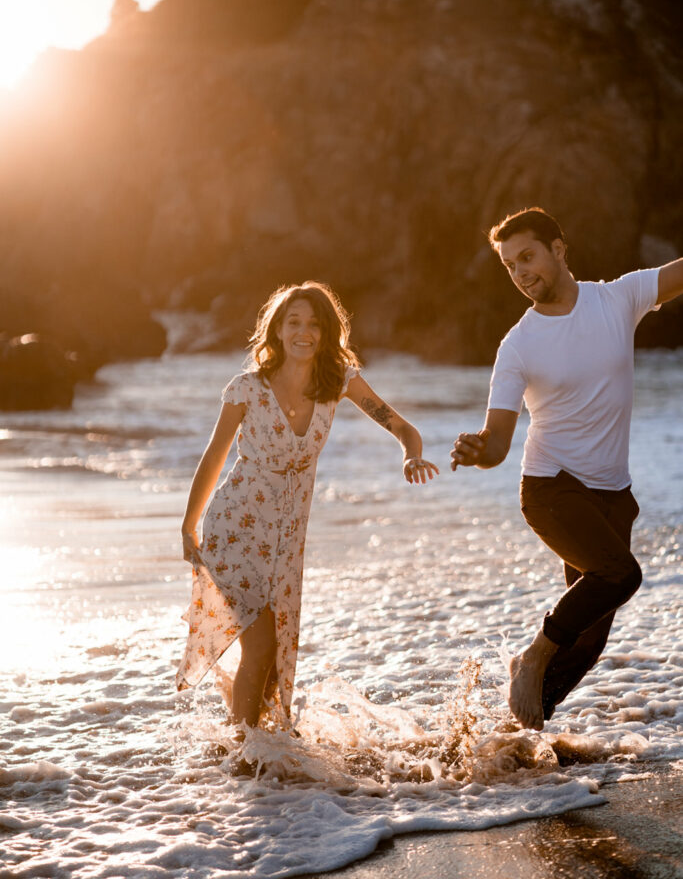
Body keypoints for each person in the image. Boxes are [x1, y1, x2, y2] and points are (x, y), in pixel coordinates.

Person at [450, 207, 683, 731]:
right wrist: (477, 449)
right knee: (620, 574)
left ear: (559, 249)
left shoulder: (617, 298)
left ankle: (518, 738)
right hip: (551, 488)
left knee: (589, 640)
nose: (520, 272)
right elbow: (498, 444)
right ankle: (530, 657)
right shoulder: (518, 344)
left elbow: (678, 273)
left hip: (612, 495)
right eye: (510, 266)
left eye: (527, 257)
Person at [176, 280, 438, 729]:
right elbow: (215, 455)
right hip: (236, 527)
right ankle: (244, 755)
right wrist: (189, 525)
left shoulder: (337, 382)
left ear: (326, 332)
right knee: (258, 649)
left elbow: (400, 425)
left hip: (286, 539)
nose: (304, 332)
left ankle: (254, 747)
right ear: (276, 330)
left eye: (314, 324)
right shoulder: (247, 389)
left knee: (275, 661)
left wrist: (411, 454)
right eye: (293, 322)